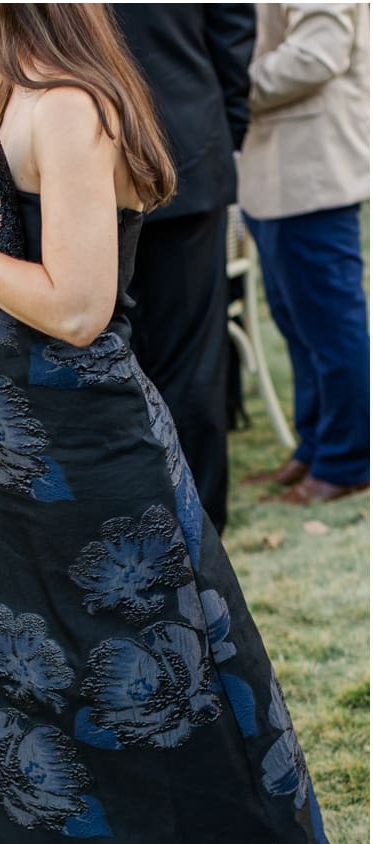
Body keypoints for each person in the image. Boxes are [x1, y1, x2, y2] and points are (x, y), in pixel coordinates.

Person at [0, 2, 351, 844]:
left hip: (87, 437)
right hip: (8, 435)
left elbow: (82, 308)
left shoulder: (71, 109)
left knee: (147, 674)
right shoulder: (1, 92)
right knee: (21, 679)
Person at [112, 5, 257, 533]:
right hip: (187, 143)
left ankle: (172, 525)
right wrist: (224, 130)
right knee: (189, 358)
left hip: (113, 153)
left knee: (129, 356)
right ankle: (197, 528)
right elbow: (234, 34)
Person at [239, 4, 370, 504]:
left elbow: (317, 55)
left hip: (313, 169)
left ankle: (346, 462)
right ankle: (315, 445)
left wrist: (227, 84)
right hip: (273, 170)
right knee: (298, 324)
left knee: (332, 327)